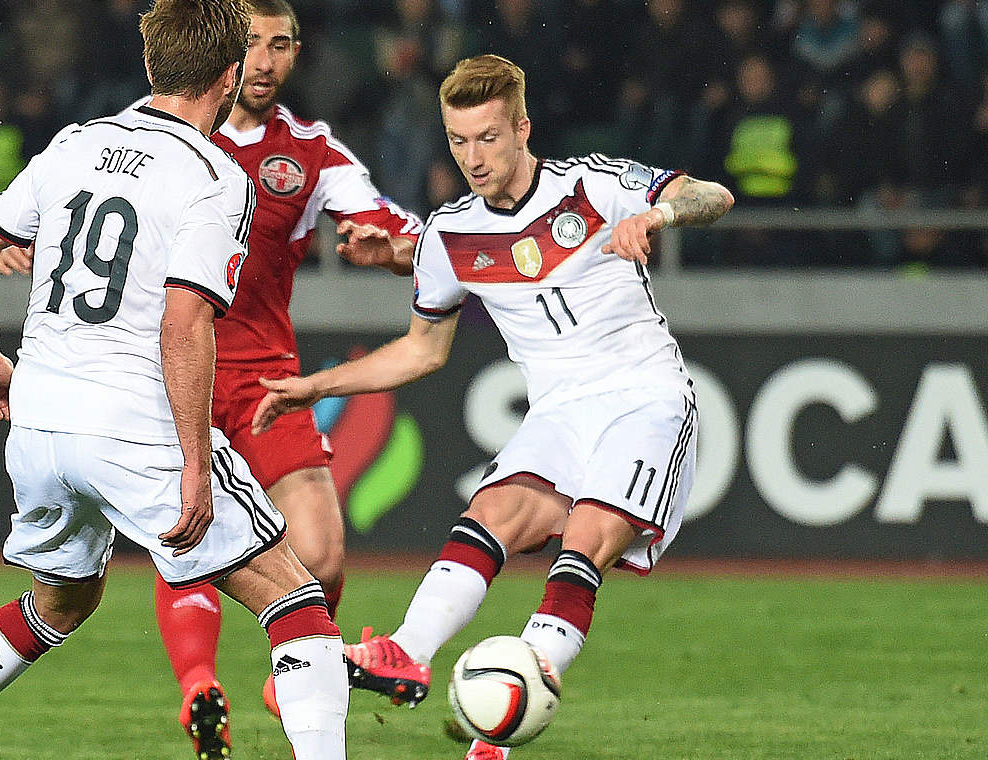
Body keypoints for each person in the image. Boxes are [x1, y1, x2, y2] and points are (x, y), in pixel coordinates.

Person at [0, 2, 350, 759]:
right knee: (297, 599)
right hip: (133, 423)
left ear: (151, 66)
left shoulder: (75, 145)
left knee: (59, 604)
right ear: (229, 74)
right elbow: (184, 324)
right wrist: (192, 462)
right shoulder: (217, 175)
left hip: (41, 422)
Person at [253, 54, 734, 760]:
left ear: (521, 129)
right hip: (557, 413)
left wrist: (658, 213)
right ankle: (406, 656)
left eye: (487, 138)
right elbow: (422, 351)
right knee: (488, 518)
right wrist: (316, 387)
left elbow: (715, 196)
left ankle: (501, 724)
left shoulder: (590, 186)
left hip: (645, 399)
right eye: (457, 141)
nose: (473, 157)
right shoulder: (451, 235)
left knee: (586, 540)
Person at [0, 2, 421, 755]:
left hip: (264, 379)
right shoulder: (150, 130)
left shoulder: (313, 151)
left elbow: (400, 234)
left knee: (320, 555)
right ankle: (200, 683)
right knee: (187, 535)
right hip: (163, 372)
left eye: (281, 45)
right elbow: (74, 211)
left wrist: (384, 248)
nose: (265, 61)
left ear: (297, 53)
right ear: (227, 56)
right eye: (253, 44)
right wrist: (20, 243)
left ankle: (286, 670)